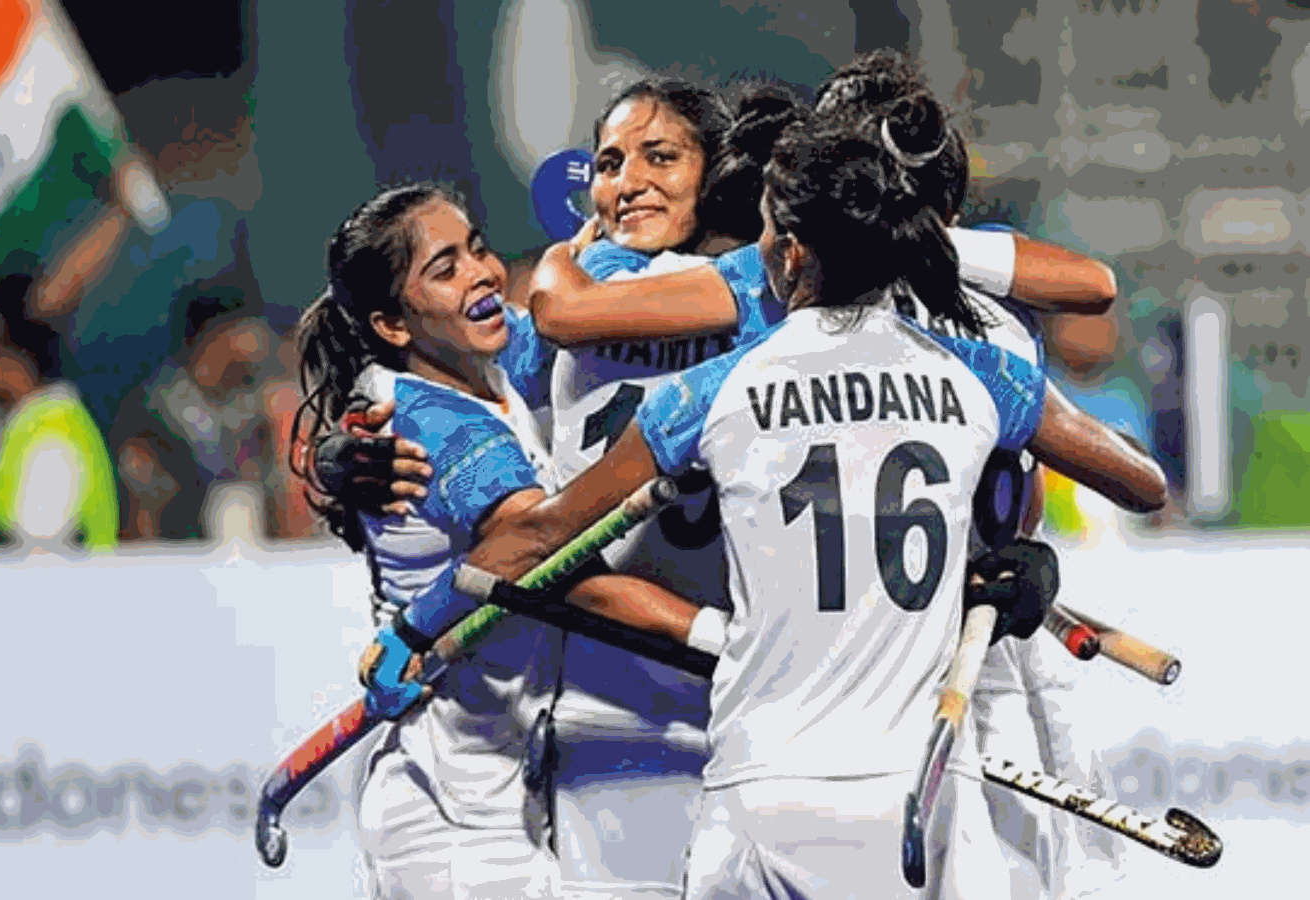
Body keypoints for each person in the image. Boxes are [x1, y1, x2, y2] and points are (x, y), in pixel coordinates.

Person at [321, 67, 1125, 897]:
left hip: (680, 722)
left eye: (661, 157)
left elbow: (520, 376)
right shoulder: (775, 298)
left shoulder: (614, 293)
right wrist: (344, 455)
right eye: (612, 162)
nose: (631, 181)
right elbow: (466, 409)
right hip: (737, 714)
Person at [291, 183, 703, 899]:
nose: (481, 274)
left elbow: (559, 310)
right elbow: (548, 558)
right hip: (454, 818)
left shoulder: (478, 357)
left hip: (505, 796)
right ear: (391, 325)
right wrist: (717, 636)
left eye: (477, 249)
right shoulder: (436, 425)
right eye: (445, 268)